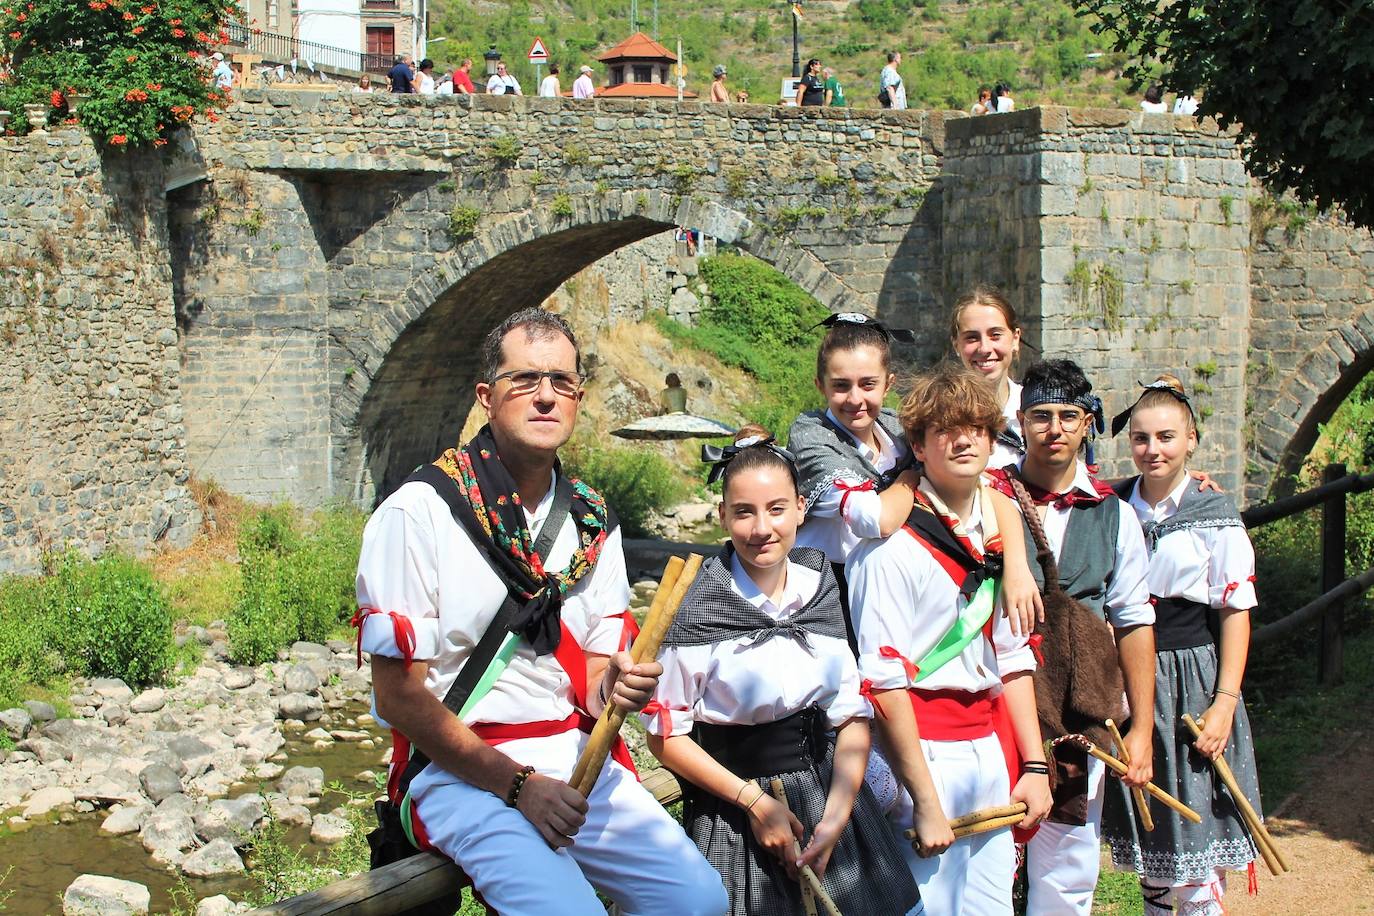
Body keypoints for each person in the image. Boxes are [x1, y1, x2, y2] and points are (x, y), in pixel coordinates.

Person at [353, 309, 727, 915]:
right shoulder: (417, 513)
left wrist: (617, 685)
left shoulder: (589, 518)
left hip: (575, 754)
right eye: (525, 380)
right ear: (486, 397)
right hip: (460, 771)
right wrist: (518, 786)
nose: (546, 397)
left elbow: (595, 672)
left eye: (563, 382)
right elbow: (398, 699)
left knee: (698, 901)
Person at [643, 427, 923, 916]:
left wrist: (836, 817)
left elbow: (849, 715)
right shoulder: (696, 601)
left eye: (776, 509)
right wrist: (753, 803)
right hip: (735, 810)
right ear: (723, 515)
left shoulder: (820, 585)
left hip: (832, 800)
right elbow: (666, 735)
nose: (761, 528)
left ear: (800, 507)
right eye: (744, 512)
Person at [849, 363, 1054, 913]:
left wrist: (1033, 767)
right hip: (923, 751)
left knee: (992, 908)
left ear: (991, 439)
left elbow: (1012, 659)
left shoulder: (997, 535)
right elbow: (884, 681)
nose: (963, 439)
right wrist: (924, 798)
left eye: (976, 428)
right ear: (917, 445)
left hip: (988, 745)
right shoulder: (889, 551)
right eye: (944, 429)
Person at [982, 358, 1156, 916]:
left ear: (1087, 423)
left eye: (1068, 416)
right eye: (1039, 416)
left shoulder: (1114, 516)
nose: (1053, 429)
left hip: (1077, 709)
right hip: (995, 700)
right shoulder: (985, 496)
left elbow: (1133, 623)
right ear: (1020, 419)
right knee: (987, 856)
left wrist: (1144, 728)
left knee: (1067, 866)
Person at [1101, 376, 1263, 916]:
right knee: (1151, 844)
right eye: (1142, 439)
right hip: (1126, 676)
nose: (1154, 450)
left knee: (1191, 844)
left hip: (1190, 679)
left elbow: (1235, 612)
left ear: (1191, 439)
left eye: (1167, 437)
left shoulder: (1213, 515)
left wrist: (1224, 702)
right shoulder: (1113, 504)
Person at [789, 313, 1041, 653]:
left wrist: (1017, 567)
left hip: (896, 585)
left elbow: (987, 490)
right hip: (827, 596)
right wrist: (911, 478)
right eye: (840, 385)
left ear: (888, 383)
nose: (855, 399)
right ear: (821, 386)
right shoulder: (812, 434)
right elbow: (873, 519)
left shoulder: (895, 428)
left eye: (868, 384)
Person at [950, 287, 1027, 470]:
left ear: (1015, 339)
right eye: (971, 338)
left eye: (995, 335)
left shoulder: (1038, 409)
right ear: (956, 345)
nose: (984, 348)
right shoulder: (940, 416)